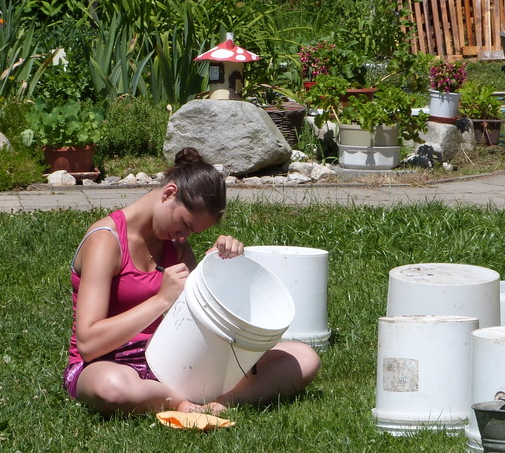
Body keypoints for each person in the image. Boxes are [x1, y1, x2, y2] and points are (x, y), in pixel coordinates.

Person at [64, 147, 320, 416]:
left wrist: (221, 269)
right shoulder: (106, 241)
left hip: (173, 356)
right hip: (110, 363)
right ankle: (181, 402)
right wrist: (161, 300)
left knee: (304, 357)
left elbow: (198, 315)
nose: (183, 237)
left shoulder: (175, 244)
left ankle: (219, 402)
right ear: (169, 193)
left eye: (191, 232)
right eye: (184, 224)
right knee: (112, 388)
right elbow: (89, 345)